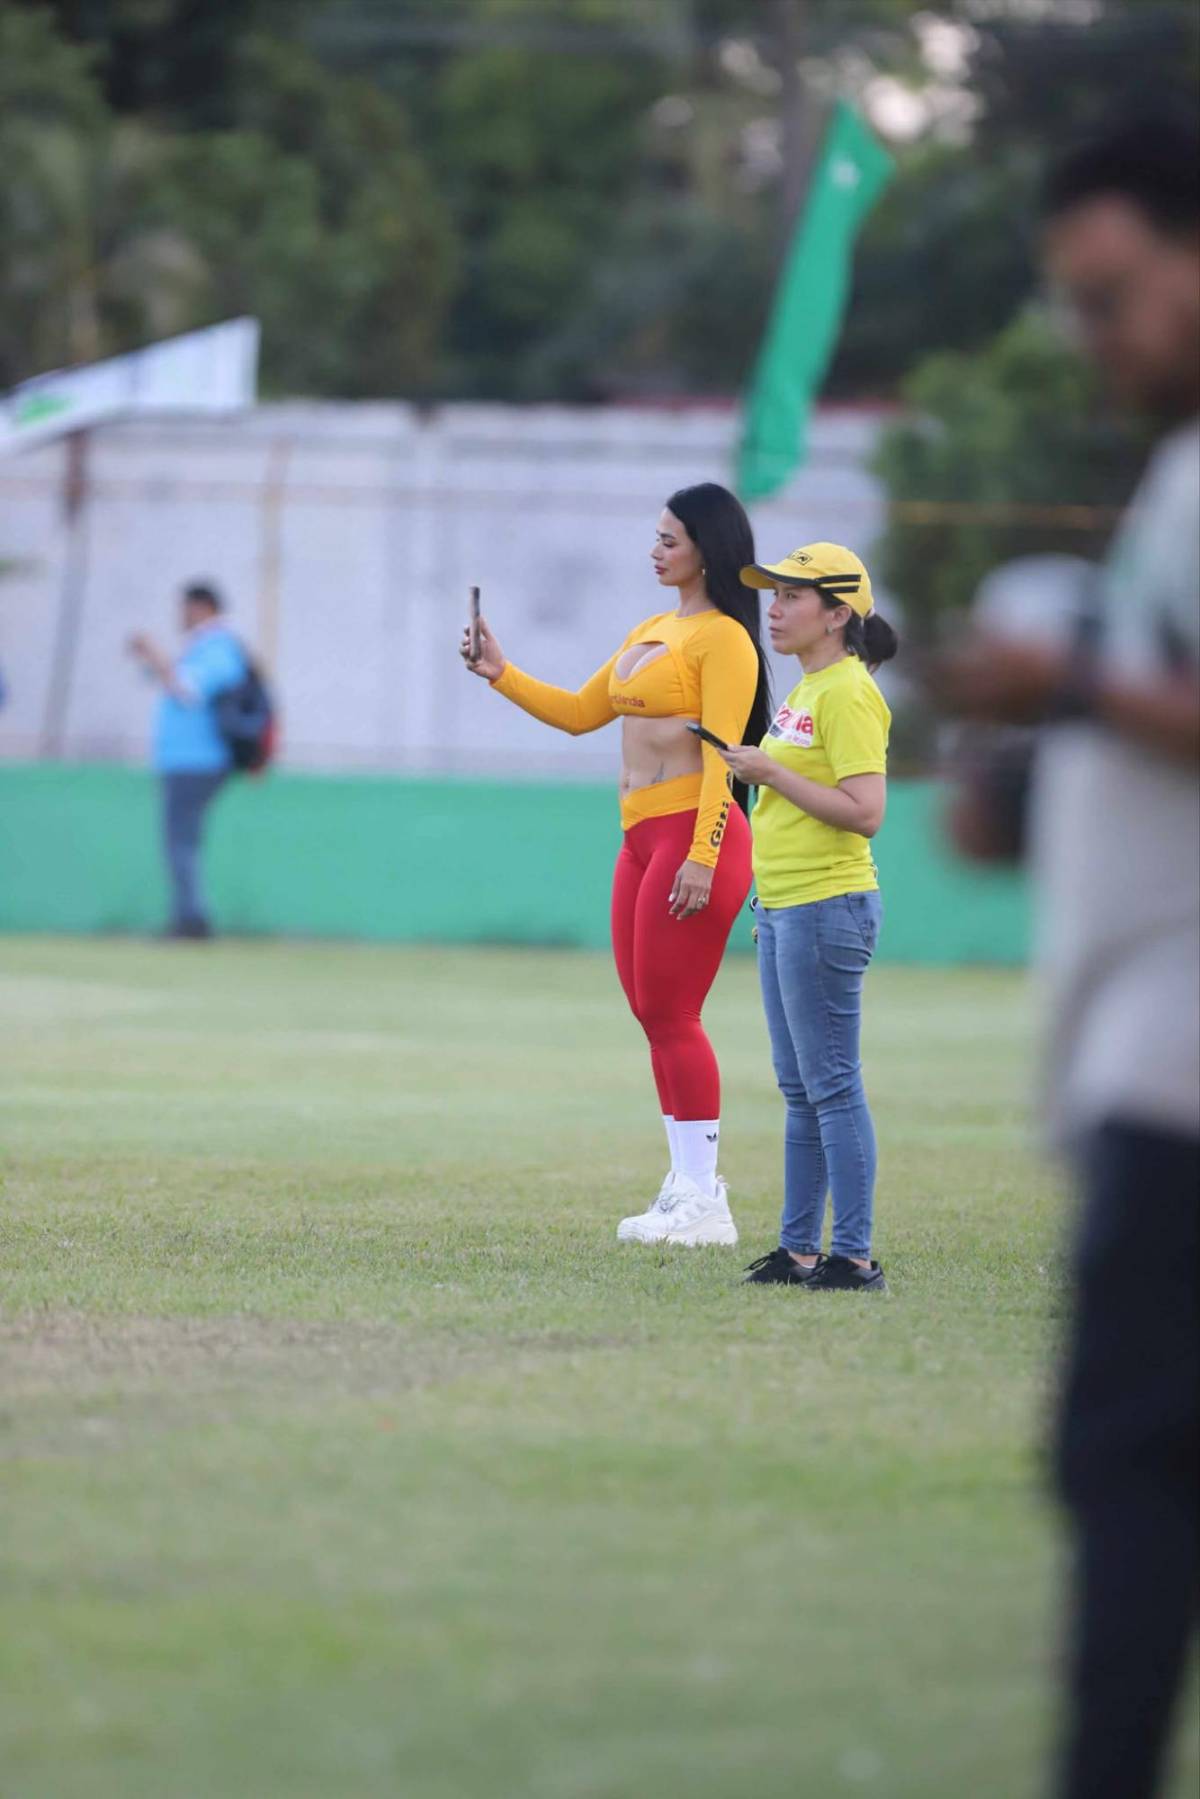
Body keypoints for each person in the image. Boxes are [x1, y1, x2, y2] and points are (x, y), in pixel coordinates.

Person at [925, 115, 1199, 1799]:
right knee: (1140, 1461)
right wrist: (1025, 773)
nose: (1096, 337)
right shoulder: (1171, 482)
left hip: (1188, 1061)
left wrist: (1069, 694)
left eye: (1116, 295)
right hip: (1147, 1048)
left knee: (1127, 1459)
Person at [461, 482, 770, 1246]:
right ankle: (683, 1186)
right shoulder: (653, 627)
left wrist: (701, 855)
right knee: (651, 1014)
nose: (655, 549)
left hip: (695, 837)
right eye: (656, 536)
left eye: (670, 539)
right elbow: (577, 713)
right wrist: (501, 671)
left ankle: (706, 1198)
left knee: (674, 1014)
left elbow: (726, 756)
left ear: (708, 547)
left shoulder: (726, 639)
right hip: (638, 839)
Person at [719, 544, 898, 1293]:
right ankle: (798, 1251)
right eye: (775, 594)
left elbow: (866, 814)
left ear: (837, 614)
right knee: (800, 1088)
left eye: (793, 596)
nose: (775, 607)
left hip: (829, 906)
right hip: (788, 906)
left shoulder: (848, 692)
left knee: (832, 1086)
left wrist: (770, 774)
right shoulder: (808, 688)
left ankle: (852, 1257)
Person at [128, 580, 246, 940]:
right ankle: (190, 917)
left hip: (199, 760)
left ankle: (192, 921)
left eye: (185, 607)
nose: (180, 615)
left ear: (203, 608)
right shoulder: (197, 648)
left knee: (181, 841)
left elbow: (188, 690)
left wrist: (155, 653)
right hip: (183, 760)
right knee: (181, 841)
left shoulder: (220, 648)